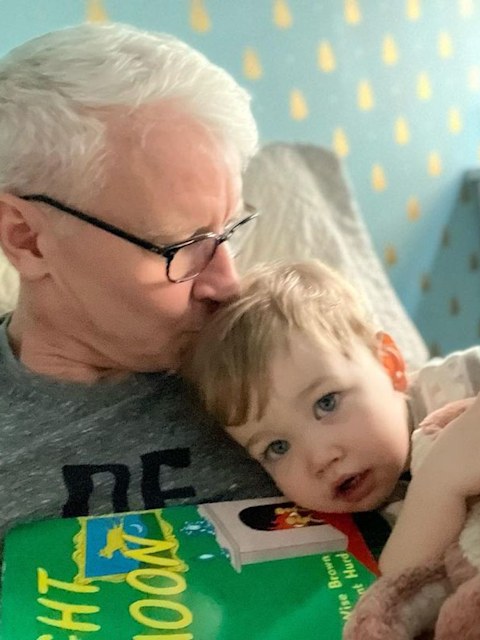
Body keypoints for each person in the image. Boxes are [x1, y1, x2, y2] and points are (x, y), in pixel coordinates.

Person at [0, 22, 279, 554]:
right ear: (27, 239)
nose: (228, 284)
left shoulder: (272, 346)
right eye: (183, 246)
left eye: (229, 232)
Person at [182, 260, 480, 575]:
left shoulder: (457, 386)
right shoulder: (353, 528)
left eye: (326, 403)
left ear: (389, 366)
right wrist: (441, 485)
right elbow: (395, 585)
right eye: (277, 447)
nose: (320, 457)